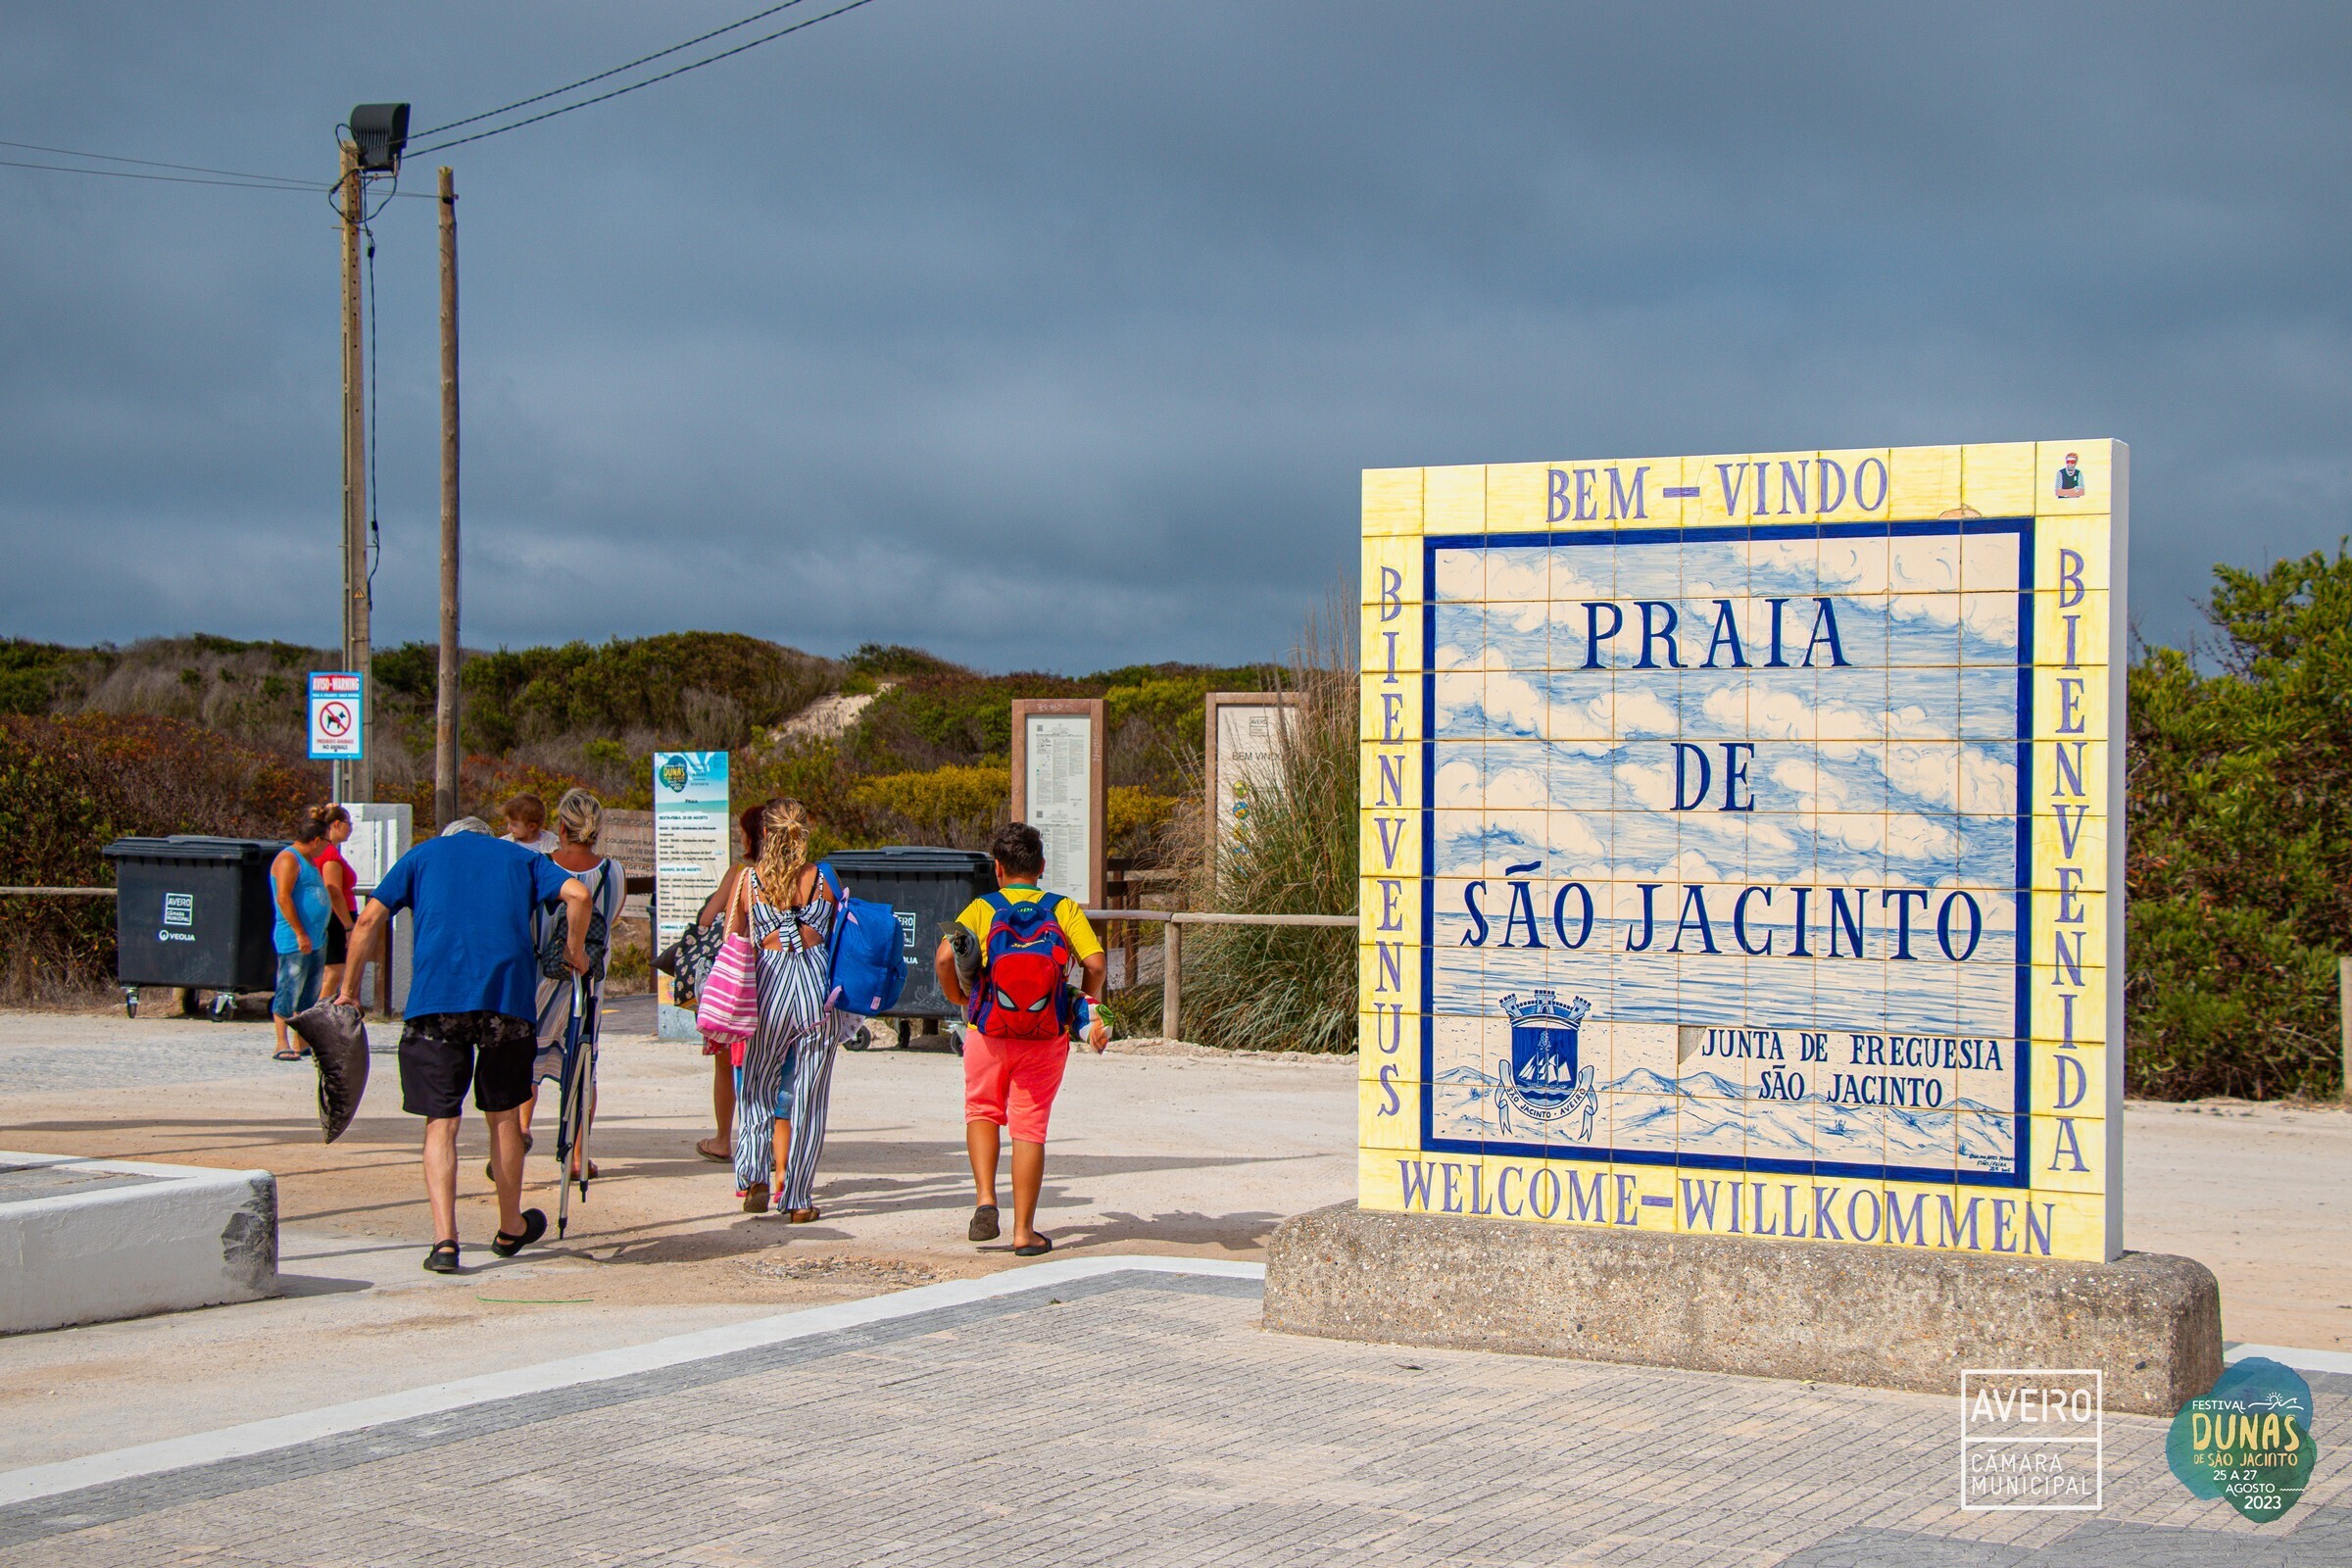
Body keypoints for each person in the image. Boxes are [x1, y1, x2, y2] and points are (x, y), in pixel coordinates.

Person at [341, 815, 591, 1273]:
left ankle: (445, 1242)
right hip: (506, 1001)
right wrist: (573, 951)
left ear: (450, 837)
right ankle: (511, 1226)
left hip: (436, 1002)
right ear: (486, 836)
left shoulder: (423, 855)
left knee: (441, 1122)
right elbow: (578, 895)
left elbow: (369, 919)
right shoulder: (520, 857)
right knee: (504, 1116)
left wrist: (349, 992)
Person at [933, 821, 1109, 1256]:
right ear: (1042, 866)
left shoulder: (982, 908)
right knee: (1029, 1126)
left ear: (998, 867)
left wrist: (960, 997)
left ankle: (985, 1200)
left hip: (987, 1029)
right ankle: (1024, 1232)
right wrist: (1082, 1005)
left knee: (982, 1110)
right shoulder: (1062, 908)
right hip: (1045, 1035)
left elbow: (944, 957)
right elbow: (1096, 963)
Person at [727, 798, 848, 1219]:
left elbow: (732, 939)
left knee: (757, 1083)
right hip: (815, 988)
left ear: (765, 833)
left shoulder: (749, 881)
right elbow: (839, 930)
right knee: (810, 1098)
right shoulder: (824, 879)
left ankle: (754, 1176)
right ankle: (797, 1199)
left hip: (769, 986)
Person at [515, 789, 624, 1179]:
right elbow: (610, 920)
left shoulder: (540, 867)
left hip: (540, 980)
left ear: (560, 827)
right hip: (587, 984)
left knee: (527, 1063)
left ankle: (518, 1137)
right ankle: (578, 1155)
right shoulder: (612, 872)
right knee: (581, 1064)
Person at [690, 801, 776, 1163]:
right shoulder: (791, 875)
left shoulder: (741, 873)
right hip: (774, 980)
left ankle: (724, 1139)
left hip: (738, 982)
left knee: (726, 1064)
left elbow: (709, 919)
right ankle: (770, 1144)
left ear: (752, 836)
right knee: (771, 1065)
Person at [269, 807, 334, 1061]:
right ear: (316, 840)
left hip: (316, 939)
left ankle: (302, 1042)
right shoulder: (289, 859)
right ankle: (281, 1042)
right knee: (289, 988)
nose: (327, 847)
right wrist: (300, 933)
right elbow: (283, 898)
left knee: (309, 993)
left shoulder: (309, 861)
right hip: (296, 939)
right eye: (326, 841)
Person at [305, 805, 359, 1007]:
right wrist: (348, 926)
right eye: (348, 824)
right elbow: (334, 891)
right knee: (334, 971)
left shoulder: (322, 851)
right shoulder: (330, 854)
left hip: (328, 916)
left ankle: (314, 1011)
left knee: (329, 970)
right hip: (337, 917)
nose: (350, 828)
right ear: (337, 824)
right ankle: (317, 1013)